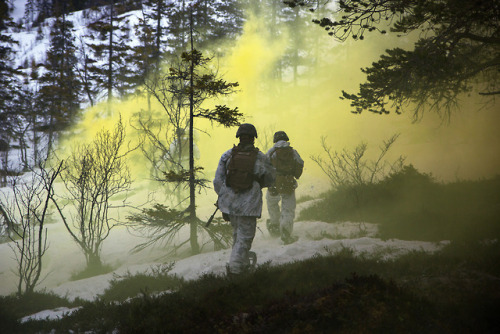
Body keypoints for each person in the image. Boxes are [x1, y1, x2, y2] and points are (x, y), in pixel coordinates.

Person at [213, 123, 276, 275]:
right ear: (253, 139)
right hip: (249, 204)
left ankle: (242, 266)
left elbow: (217, 181)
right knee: (245, 237)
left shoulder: (227, 155)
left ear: (239, 137)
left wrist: (223, 197)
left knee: (237, 234)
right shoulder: (261, 157)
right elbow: (271, 178)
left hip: (230, 204)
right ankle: (235, 270)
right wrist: (257, 184)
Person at [266, 131, 304, 244]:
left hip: (273, 183)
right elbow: (300, 163)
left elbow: (264, 165)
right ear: (286, 139)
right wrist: (294, 175)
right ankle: (285, 232)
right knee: (288, 208)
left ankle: (274, 224)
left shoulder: (271, 152)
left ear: (275, 140)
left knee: (271, 203)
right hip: (287, 181)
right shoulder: (292, 151)